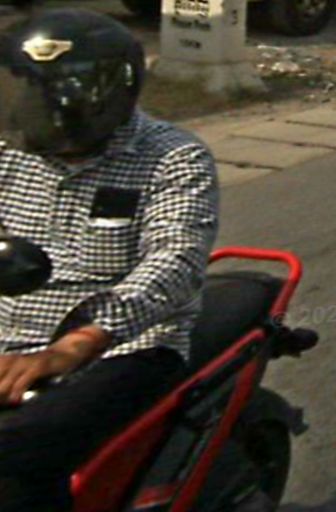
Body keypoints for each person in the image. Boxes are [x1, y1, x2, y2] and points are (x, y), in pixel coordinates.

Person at [0, 7, 218, 511]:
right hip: (11, 331)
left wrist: (74, 346)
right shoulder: (10, 151)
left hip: (125, 344)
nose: (34, 108)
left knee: (15, 458)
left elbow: (175, 263)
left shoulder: (173, 158)